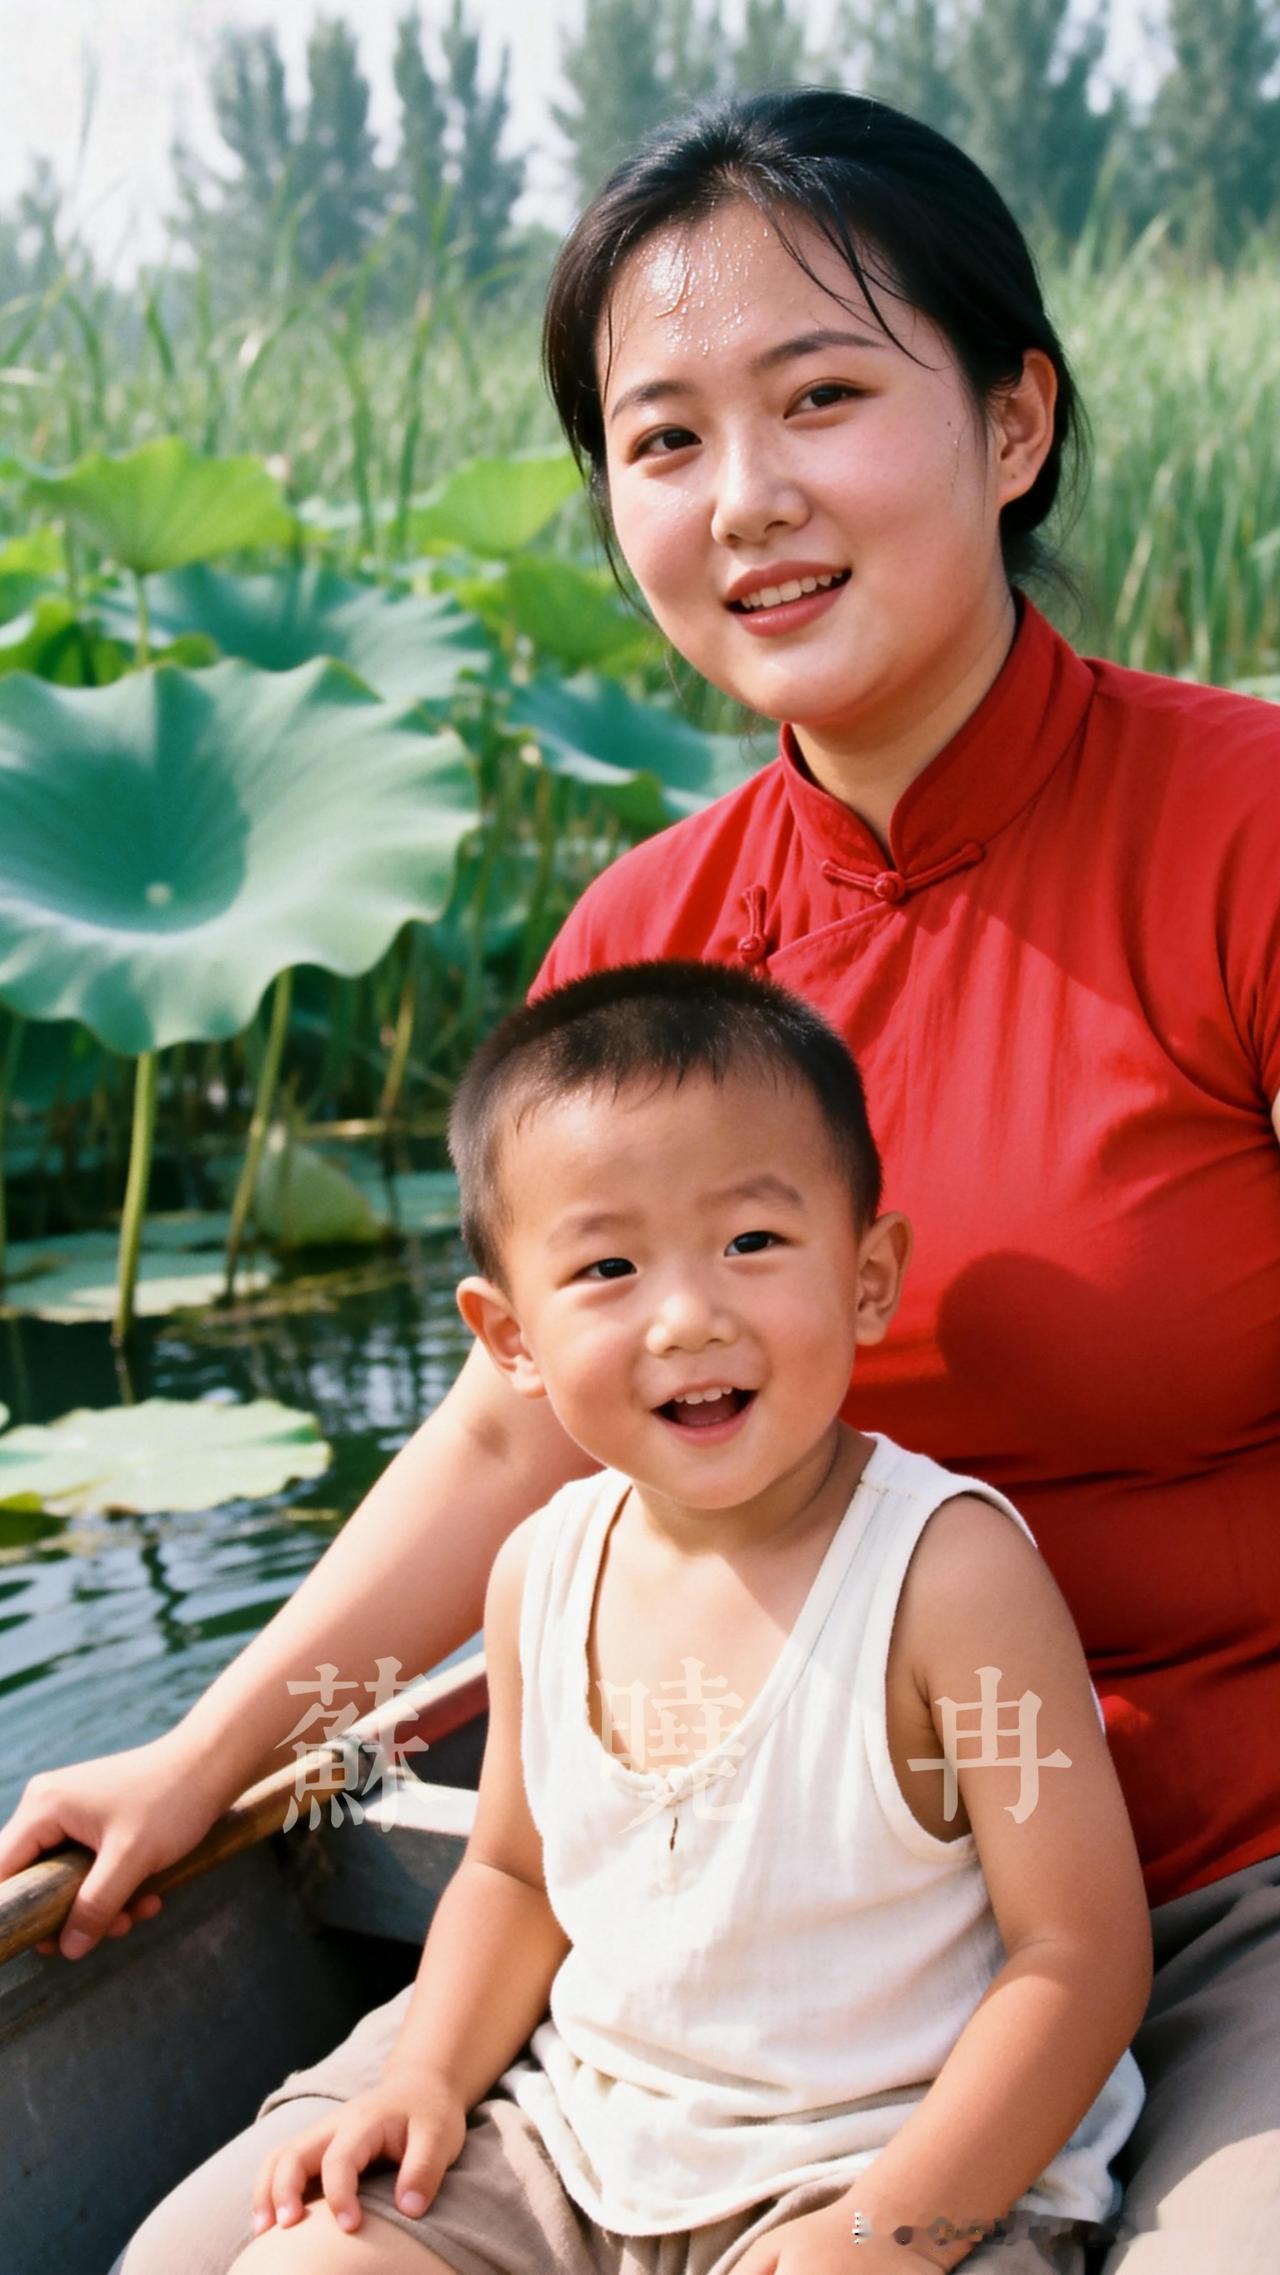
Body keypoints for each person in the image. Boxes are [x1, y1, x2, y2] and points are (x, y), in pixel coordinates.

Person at [3, 86, 1276, 2274]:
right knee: (226, 2251)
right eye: (664, 440)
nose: (746, 500)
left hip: (1214, 1883)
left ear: (1011, 422)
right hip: (722, 1906)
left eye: (820, 398)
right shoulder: (651, 946)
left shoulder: (1244, 835)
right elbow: (514, 1419)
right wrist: (207, 1755)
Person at [240, 960, 1151, 2275]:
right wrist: (427, 2075)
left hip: (893, 2165)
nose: (689, 1315)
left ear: (868, 1275)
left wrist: (896, 2229)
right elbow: (513, 1874)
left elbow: (1081, 1951)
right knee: (303, 2266)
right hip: (580, 2148)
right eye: (607, 1266)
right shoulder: (540, 1571)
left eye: (753, 1243)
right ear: (511, 1340)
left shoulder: (946, 1575)